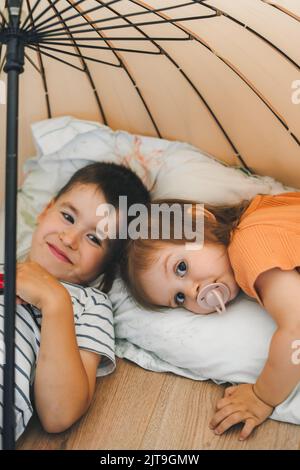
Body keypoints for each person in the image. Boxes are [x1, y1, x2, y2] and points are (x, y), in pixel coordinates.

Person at [120, 192, 300, 440]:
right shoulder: (263, 211)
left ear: (200, 221)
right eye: (179, 299)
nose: (193, 292)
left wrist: (262, 396)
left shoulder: (249, 244)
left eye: (181, 267)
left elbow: (297, 329)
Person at [0, 161, 150, 446]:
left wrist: (54, 302)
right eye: (68, 217)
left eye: (94, 238)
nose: (69, 239)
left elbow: (59, 414)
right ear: (46, 211)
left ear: (107, 267)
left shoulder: (89, 305)